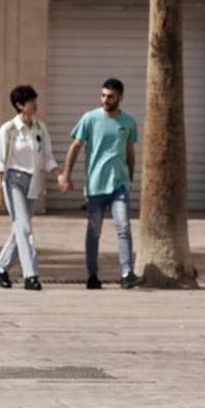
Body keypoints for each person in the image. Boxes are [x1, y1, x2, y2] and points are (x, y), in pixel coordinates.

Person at [58, 78, 140, 290]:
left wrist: (130, 175)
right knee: (94, 232)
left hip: (119, 185)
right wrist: (66, 175)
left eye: (110, 96)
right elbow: (75, 146)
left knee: (123, 227)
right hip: (95, 185)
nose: (106, 99)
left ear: (120, 97)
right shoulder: (90, 118)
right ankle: (92, 275)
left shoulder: (128, 122)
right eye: (103, 95)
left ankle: (126, 273)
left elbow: (130, 151)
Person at [0, 85, 61, 291]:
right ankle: (31, 275)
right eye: (31, 101)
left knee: (20, 229)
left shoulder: (40, 128)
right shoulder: (8, 130)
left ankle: (1, 267)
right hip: (13, 181)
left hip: (33, 182)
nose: (35, 104)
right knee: (25, 228)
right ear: (20, 105)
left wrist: (58, 174)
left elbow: (48, 157)